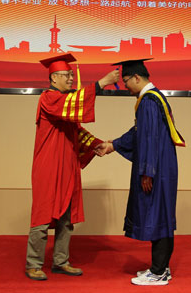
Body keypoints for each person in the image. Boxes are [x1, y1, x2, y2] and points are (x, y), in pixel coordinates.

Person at [25, 53, 119, 281]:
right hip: (48, 168)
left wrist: (98, 144)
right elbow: (75, 101)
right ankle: (33, 263)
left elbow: (77, 132)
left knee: (66, 217)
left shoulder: (64, 104)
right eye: (66, 75)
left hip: (67, 166)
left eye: (70, 75)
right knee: (43, 216)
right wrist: (101, 83)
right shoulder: (49, 98)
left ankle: (61, 261)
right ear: (53, 78)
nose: (70, 79)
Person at [98, 59, 184, 286]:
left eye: (126, 81)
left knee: (159, 215)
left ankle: (159, 272)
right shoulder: (153, 98)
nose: (125, 86)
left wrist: (148, 171)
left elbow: (149, 138)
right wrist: (113, 145)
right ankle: (160, 268)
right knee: (160, 214)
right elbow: (139, 132)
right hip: (161, 165)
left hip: (157, 168)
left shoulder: (149, 101)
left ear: (137, 77)